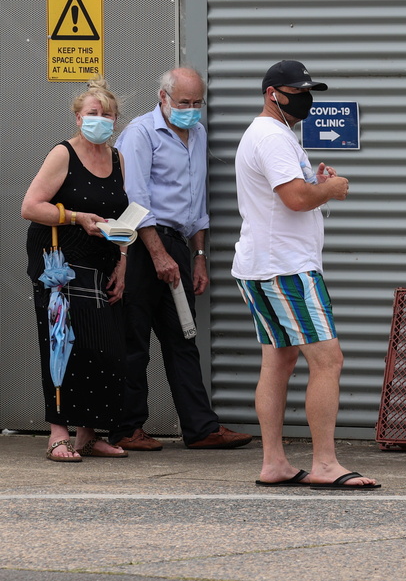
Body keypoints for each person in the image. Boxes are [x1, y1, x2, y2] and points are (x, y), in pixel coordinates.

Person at [233, 60, 378, 489]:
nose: (306, 99)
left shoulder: (269, 135)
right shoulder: (272, 136)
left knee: (278, 360)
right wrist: (329, 189)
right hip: (287, 268)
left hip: (262, 264)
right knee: (328, 360)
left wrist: (314, 181)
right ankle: (326, 464)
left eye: (308, 91)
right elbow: (296, 199)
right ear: (272, 93)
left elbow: (287, 193)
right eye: (297, 92)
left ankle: (274, 463)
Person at [110, 68, 252, 451]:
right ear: (163, 97)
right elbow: (135, 198)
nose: (191, 109)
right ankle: (126, 428)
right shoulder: (140, 134)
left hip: (177, 246)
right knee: (134, 339)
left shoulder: (198, 133)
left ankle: (201, 428)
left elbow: (197, 201)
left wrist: (198, 256)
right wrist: (158, 254)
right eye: (183, 102)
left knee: (183, 338)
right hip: (143, 246)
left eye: (196, 103)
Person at [21, 76, 130, 461]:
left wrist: (122, 261)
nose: (101, 119)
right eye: (93, 113)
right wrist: (76, 216)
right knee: (62, 343)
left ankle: (89, 434)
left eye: (108, 114)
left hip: (101, 262)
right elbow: (30, 206)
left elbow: (120, 215)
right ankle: (58, 434)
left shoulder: (117, 158)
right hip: (59, 263)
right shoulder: (63, 153)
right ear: (79, 117)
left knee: (103, 348)